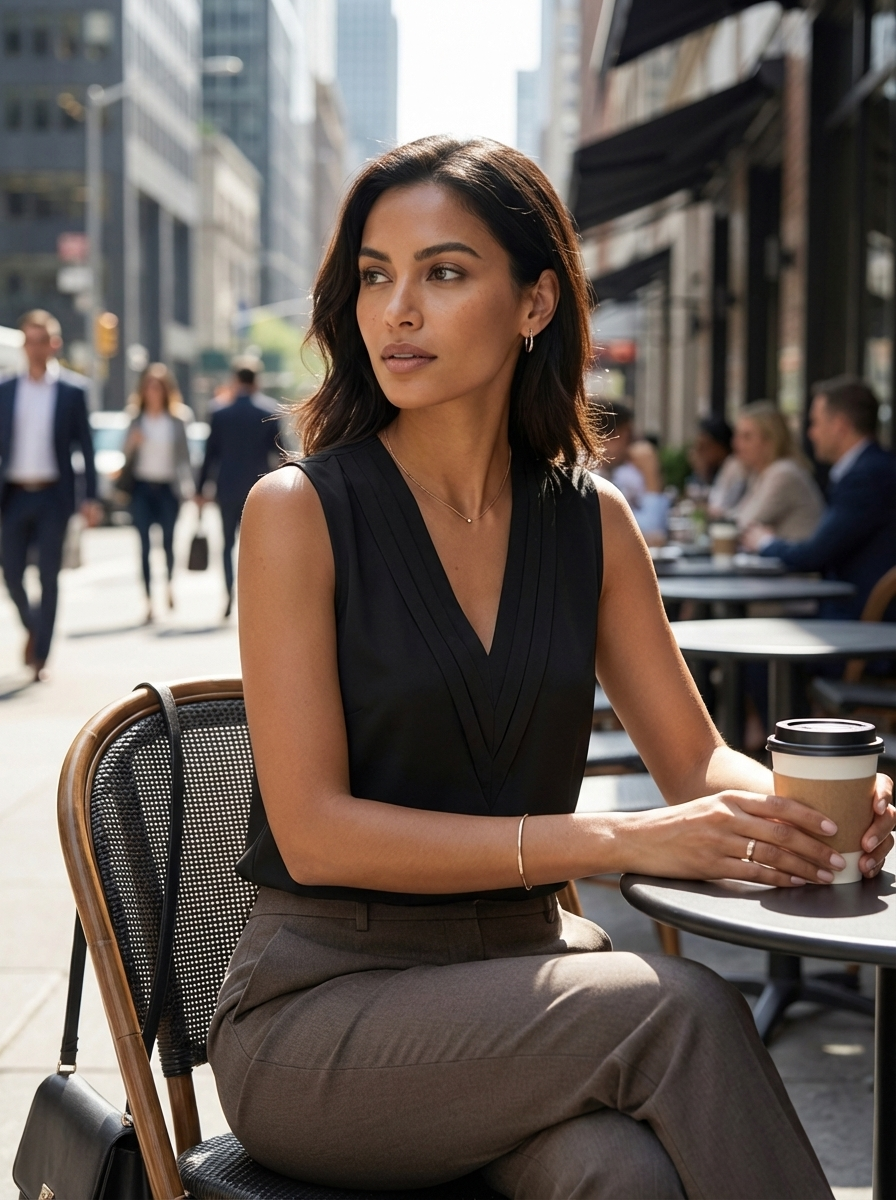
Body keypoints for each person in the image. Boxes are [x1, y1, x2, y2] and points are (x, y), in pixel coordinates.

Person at [206, 137, 894, 1199]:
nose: (395, 310)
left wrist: (808, 808)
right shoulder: (299, 513)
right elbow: (314, 828)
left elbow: (694, 761)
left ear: (534, 304)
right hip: (320, 1014)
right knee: (679, 1007)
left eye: (442, 273)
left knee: (619, 1174)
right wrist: (614, 839)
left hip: (520, 991)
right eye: (373, 276)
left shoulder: (592, 523)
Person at [743, 376, 896, 620]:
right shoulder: (869, 469)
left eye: (815, 423)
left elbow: (815, 554)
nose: (811, 434)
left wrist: (766, 543)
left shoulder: (865, 477)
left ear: (840, 426)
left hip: (859, 621)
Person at [0, 310, 101, 679]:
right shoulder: (6, 389)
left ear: (54, 345)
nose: (34, 348)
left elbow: (85, 448)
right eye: (29, 341)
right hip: (12, 494)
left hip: (53, 497)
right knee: (10, 573)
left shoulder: (72, 391)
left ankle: (41, 656)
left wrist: (91, 497)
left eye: (41, 341)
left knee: (48, 576)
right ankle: (33, 627)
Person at [196, 356, 280, 617]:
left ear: (235, 380)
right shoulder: (268, 412)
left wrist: (200, 489)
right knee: (257, 546)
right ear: (256, 381)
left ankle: (230, 593)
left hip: (228, 486)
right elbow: (280, 453)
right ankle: (254, 598)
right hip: (260, 489)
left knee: (227, 543)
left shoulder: (220, 412)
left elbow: (210, 454)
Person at [123, 363, 194, 623]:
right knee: (143, 544)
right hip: (142, 487)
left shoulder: (177, 419)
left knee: (168, 543)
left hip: (168, 489)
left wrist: (191, 489)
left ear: (166, 390)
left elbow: (186, 458)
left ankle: (169, 585)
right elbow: (125, 456)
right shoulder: (135, 418)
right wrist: (132, 443)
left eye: (158, 386)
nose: (153, 391)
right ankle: (148, 601)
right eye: (149, 386)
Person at [731, 400, 824, 541]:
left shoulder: (783, 473)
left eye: (747, 437)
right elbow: (738, 517)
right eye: (737, 436)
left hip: (798, 561)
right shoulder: (761, 473)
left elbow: (743, 525)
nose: (737, 444)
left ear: (770, 441)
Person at [595, 400, 669, 543]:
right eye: (630, 437)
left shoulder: (604, 474)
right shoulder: (592, 477)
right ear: (615, 435)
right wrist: (651, 474)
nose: (633, 446)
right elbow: (651, 533)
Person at [687, 414, 747, 516]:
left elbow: (721, 509)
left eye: (704, 446)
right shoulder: (722, 467)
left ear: (720, 446)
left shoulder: (734, 466)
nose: (699, 452)